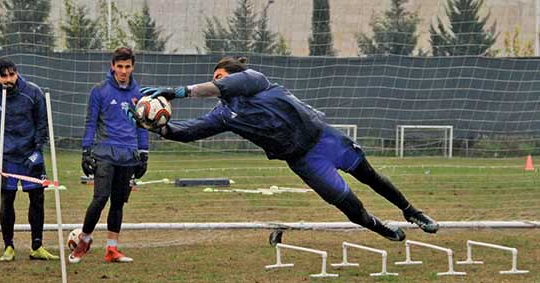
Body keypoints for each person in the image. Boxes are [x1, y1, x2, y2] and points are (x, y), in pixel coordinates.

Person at [140, 57, 439, 241]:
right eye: (215, 78)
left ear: (233, 75)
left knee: (369, 175)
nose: (217, 83)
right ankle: (380, 228)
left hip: (324, 138)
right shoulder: (223, 115)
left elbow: (224, 86)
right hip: (303, 160)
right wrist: (156, 126)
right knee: (348, 204)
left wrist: (181, 92)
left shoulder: (256, 81)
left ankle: (412, 211)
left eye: (220, 77)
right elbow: (188, 132)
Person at [69, 47, 149, 264]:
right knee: (100, 198)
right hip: (105, 153)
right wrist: (86, 151)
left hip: (128, 155)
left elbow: (142, 125)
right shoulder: (99, 91)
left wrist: (144, 153)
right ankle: (83, 241)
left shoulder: (139, 94)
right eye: (120, 66)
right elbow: (90, 122)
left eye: (128, 66)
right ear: (113, 66)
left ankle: (112, 249)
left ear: (133, 67)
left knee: (118, 203)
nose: (123, 71)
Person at [0, 58, 58, 261]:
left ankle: (37, 246)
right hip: (6, 158)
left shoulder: (33, 92)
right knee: (6, 200)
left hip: (30, 156)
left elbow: (42, 124)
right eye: (3, 76)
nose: (8, 79)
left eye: (11, 74)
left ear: (16, 73)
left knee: (37, 199)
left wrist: (38, 150)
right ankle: (8, 247)